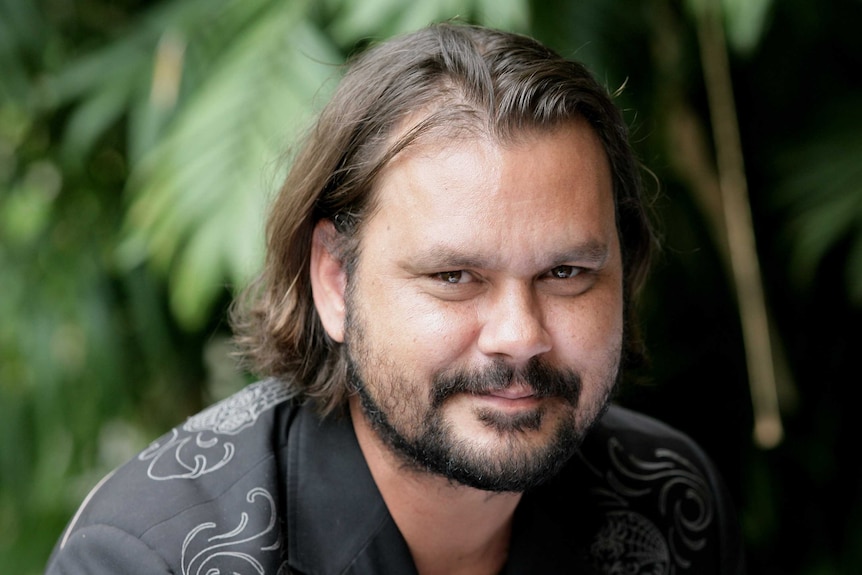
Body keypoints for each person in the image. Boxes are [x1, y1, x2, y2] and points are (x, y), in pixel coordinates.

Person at [46, 21, 745, 575]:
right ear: (334, 281)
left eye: (566, 272)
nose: (519, 333)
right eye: (454, 277)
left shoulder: (666, 501)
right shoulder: (150, 557)